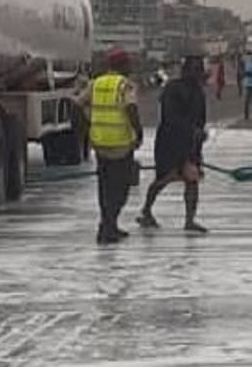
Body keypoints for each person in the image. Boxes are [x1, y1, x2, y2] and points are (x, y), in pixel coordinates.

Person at [77, 48, 143, 245]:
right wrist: (138, 131)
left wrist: (86, 126)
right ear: (121, 65)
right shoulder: (126, 85)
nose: (130, 66)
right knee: (120, 188)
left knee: (105, 188)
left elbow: (78, 104)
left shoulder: (95, 83)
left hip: (100, 144)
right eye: (128, 63)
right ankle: (107, 227)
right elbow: (131, 108)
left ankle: (108, 225)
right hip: (121, 145)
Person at [137, 54, 208, 233]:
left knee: (192, 180)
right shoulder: (172, 88)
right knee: (163, 178)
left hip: (191, 144)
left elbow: (201, 117)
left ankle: (190, 220)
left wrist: (199, 134)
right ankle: (146, 210)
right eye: (195, 69)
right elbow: (169, 116)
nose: (198, 74)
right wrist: (191, 130)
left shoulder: (198, 91)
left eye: (200, 70)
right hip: (170, 142)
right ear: (186, 71)